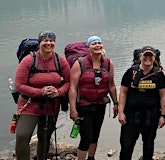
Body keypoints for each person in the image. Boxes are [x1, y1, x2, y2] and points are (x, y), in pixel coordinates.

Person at [14, 31, 71, 160]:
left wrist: (59, 92)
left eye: (51, 41)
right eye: (45, 41)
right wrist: (41, 92)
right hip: (29, 104)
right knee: (22, 136)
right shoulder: (28, 60)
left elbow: (68, 82)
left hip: (51, 106)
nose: (48, 43)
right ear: (40, 43)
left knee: (44, 137)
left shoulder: (59, 60)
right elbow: (19, 85)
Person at [68, 36, 118, 160]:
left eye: (99, 43)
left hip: (100, 105)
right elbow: (73, 88)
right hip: (83, 106)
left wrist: (116, 103)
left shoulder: (108, 63)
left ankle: (91, 158)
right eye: (94, 43)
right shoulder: (80, 63)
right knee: (86, 137)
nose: (97, 46)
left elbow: (111, 85)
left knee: (95, 135)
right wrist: (73, 109)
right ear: (88, 47)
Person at [118, 45, 165, 160]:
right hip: (131, 114)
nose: (148, 58)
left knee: (149, 145)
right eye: (145, 55)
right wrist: (121, 112)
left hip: (151, 115)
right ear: (140, 56)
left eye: (151, 56)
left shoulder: (158, 74)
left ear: (154, 58)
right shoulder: (131, 72)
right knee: (126, 144)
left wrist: (163, 115)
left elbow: (163, 96)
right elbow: (123, 93)